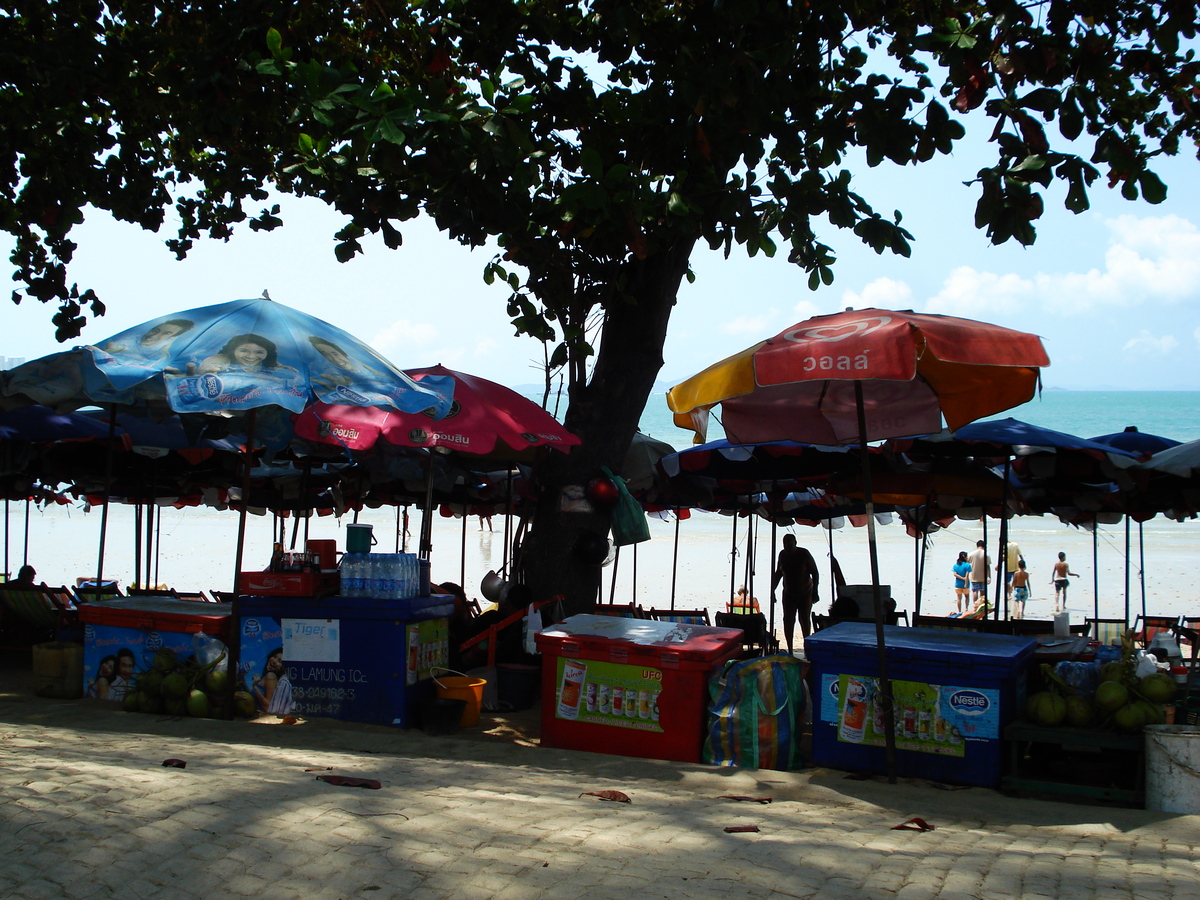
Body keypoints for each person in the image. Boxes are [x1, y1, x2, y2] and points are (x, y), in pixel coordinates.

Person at [772, 533, 819, 653]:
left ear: (795, 543)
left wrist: (815, 591)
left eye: (789, 544)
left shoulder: (804, 554)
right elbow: (778, 573)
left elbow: (815, 572)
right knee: (788, 620)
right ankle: (790, 649)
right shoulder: (782, 555)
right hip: (788, 593)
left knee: (804, 620)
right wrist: (772, 590)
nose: (787, 546)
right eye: (785, 544)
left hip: (805, 591)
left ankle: (807, 648)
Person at [102, 319, 194, 360]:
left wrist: (165, 349)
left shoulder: (166, 344)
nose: (154, 335)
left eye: (165, 333)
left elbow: (172, 339)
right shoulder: (130, 341)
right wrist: (113, 348)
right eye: (155, 330)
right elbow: (119, 346)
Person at [251, 647, 293, 716]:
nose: (274, 661)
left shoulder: (271, 676)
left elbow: (268, 708)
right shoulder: (267, 675)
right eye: (274, 657)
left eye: (279, 661)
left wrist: (255, 687)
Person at [967, 540, 990, 610]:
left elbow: (967, 563)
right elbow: (988, 566)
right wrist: (989, 577)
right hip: (983, 576)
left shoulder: (971, 554)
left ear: (977, 545)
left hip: (974, 575)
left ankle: (975, 605)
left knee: (975, 591)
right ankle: (981, 606)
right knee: (982, 592)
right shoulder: (986, 554)